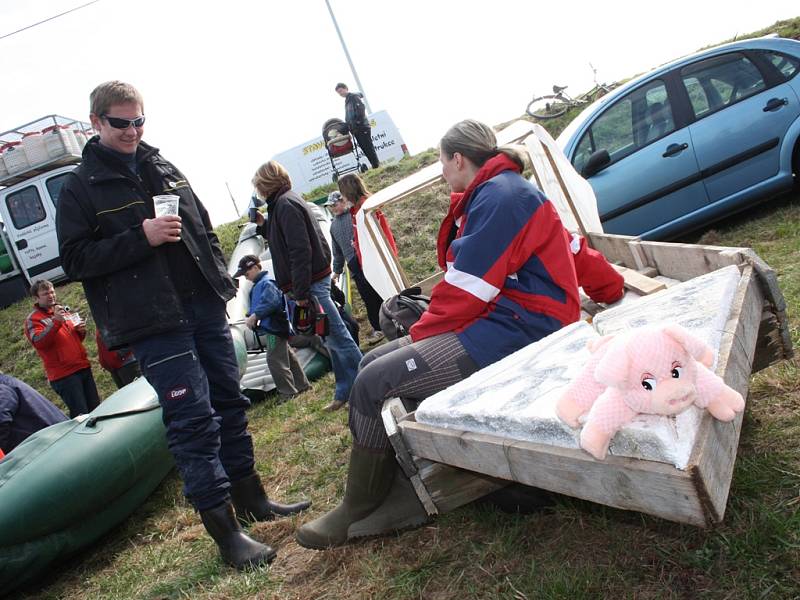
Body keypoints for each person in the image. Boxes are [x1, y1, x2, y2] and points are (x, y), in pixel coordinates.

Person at [56, 80, 309, 570]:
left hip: (202, 306)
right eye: (120, 123)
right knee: (192, 421)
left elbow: (203, 225)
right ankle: (228, 538)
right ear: (95, 123)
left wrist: (219, 281)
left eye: (139, 121)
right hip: (153, 323)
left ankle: (252, 500)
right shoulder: (79, 188)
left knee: (230, 404)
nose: (132, 131)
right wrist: (140, 237)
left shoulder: (162, 165)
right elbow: (74, 259)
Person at [295, 119, 581, 549]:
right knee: (372, 362)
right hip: (508, 318)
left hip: (520, 329)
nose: (443, 170)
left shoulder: (502, 197)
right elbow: (570, 250)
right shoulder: (502, 192)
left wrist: (421, 333)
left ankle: (364, 504)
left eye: (443, 162)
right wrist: (608, 288)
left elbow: (469, 288)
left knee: (374, 380)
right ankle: (396, 478)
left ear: (459, 159)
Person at [251, 160, 363, 413]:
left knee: (339, 338)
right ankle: (344, 391)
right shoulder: (284, 203)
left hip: (310, 285)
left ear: (266, 184)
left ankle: (372, 383)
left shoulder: (285, 205)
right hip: (309, 284)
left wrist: (300, 293)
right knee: (332, 339)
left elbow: (300, 251)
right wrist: (264, 225)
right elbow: (287, 240)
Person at [236, 254, 311, 400]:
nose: (246, 277)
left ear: (256, 267)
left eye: (247, 273)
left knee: (274, 360)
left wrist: (255, 315)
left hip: (274, 329)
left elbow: (271, 302)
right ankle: (303, 385)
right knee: (289, 357)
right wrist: (250, 313)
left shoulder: (267, 283)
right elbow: (262, 302)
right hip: (274, 327)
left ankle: (287, 393)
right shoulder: (260, 285)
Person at [24, 280, 101, 418]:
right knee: (82, 417)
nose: (51, 295)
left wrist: (80, 331)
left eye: (52, 291)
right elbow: (39, 342)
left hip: (82, 366)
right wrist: (56, 321)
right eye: (45, 293)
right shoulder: (34, 319)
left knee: (97, 410)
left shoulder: (62, 310)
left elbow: (72, 340)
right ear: (37, 297)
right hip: (64, 375)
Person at [326, 189, 385, 342]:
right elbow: (337, 251)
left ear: (344, 201)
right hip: (353, 265)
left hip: (368, 258)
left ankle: (394, 320)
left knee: (381, 290)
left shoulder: (355, 214)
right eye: (330, 206)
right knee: (368, 298)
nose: (333, 208)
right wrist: (337, 271)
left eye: (335, 204)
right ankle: (379, 328)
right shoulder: (333, 227)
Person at [0, 371, 68, 455]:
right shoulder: (7, 382)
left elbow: (2, 421)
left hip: (45, 445)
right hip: (55, 436)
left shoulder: (3, 386)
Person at [335, 82, 379, 169]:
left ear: (346, 88)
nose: (340, 93)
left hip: (362, 127)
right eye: (338, 93)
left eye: (341, 91)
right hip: (356, 130)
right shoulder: (347, 100)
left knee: (368, 146)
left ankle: (376, 165)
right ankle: (374, 165)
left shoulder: (353, 97)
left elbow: (361, 108)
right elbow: (349, 118)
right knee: (364, 148)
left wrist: (357, 122)